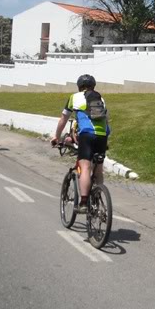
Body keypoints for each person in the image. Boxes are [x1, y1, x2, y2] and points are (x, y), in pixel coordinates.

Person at [51, 74, 110, 213]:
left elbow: (63, 119)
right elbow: (106, 121)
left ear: (79, 86)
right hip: (102, 136)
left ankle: (83, 203)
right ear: (93, 86)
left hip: (86, 135)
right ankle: (96, 198)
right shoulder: (100, 98)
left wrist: (56, 137)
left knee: (85, 167)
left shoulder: (74, 97)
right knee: (98, 169)